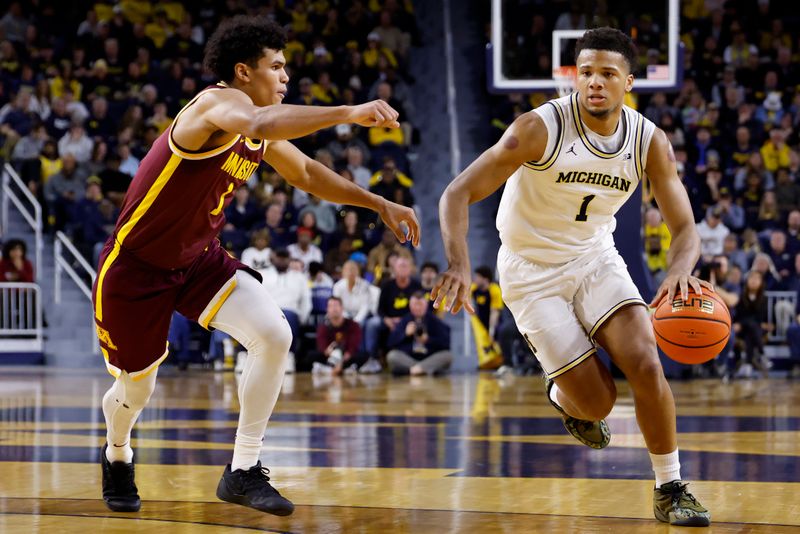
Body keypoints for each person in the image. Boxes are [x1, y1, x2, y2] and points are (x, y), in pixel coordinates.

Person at [92, 17, 419, 517]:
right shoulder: (214, 106)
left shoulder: (256, 128)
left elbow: (306, 172)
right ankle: (118, 452)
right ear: (243, 72)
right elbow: (263, 124)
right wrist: (349, 112)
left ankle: (242, 470)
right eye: (277, 66)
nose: (286, 76)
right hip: (137, 268)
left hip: (198, 259)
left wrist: (379, 204)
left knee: (273, 334)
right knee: (137, 388)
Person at [432, 28, 710, 526]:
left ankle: (670, 488)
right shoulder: (537, 129)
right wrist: (458, 262)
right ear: (574, 78)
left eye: (607, 73)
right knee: (597, 404)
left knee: (646, 363)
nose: (594, 82)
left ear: (629, 82)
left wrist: (679, 270)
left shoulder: (648, 141)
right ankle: (564, 394)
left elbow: (686, 228)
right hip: (531, 271)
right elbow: (457, 193)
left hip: (594, 258)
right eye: (585, 73)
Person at [386, 291, 452, 376]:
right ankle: (422, 369)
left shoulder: (434, 320)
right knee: (392, 356)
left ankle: (416, 370)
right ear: (410, 306)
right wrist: (405, 334)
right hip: (410, 358)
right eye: (415, 305)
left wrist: (428, 340)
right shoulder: (405, 320)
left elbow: (446, 343)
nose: (417, 308)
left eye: (420, 304)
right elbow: (390, 343)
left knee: (448, 356)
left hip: (429, 357)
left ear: (426, 305)